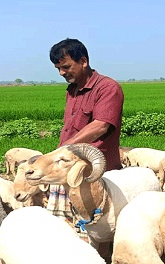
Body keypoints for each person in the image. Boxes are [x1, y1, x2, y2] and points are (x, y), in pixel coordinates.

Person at [45, 38, 124, 232]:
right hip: (68, 170)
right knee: (66, 227)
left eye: (66, 67)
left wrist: (62, 150)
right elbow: (69, 129)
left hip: (94, 174)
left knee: (98, 229)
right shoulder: (72, 90)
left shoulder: (107, 88)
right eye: (58, 69)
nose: (62, 73)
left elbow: (100, 126)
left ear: (83, 61)